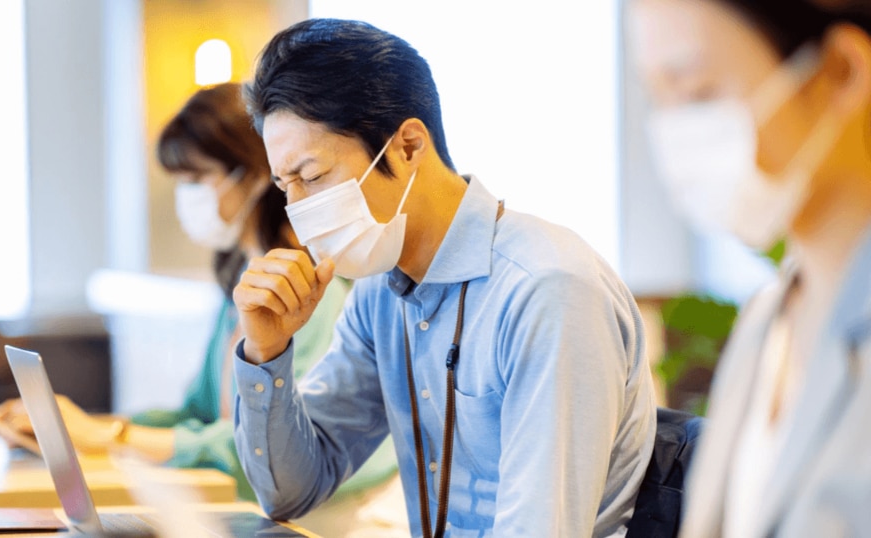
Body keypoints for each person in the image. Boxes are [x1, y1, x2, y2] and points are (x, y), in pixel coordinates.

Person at [230, 18, 657, 537]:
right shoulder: (379, 294)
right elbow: (290, 492)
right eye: (286, 187)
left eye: (313, 177)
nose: (299, 212)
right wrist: (266, 351)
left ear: (408, 146)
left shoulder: (547, 289)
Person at [0, 82, 400, 535]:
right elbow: (198, 415)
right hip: (255, 513)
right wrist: (84, 427)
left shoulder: (309, 295)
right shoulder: (240, 291)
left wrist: (113, 437)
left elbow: (274, 447)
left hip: (318, 524)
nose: (186, 196)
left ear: (257, 174)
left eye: (196, 179)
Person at [628, 0, 871, 535]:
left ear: (841, 74)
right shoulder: (768, 320)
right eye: (657, 98)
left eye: (697, 93)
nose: (674, 136)